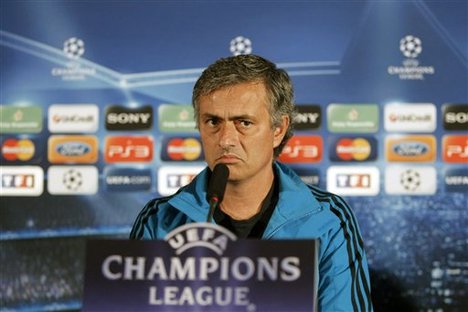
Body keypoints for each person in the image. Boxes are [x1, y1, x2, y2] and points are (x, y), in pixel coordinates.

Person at [130, 54, 373, 311]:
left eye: (244, 123)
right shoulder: (160, 219)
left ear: (278, 130)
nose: (225, 140)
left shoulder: (328, 218)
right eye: (213, 122)